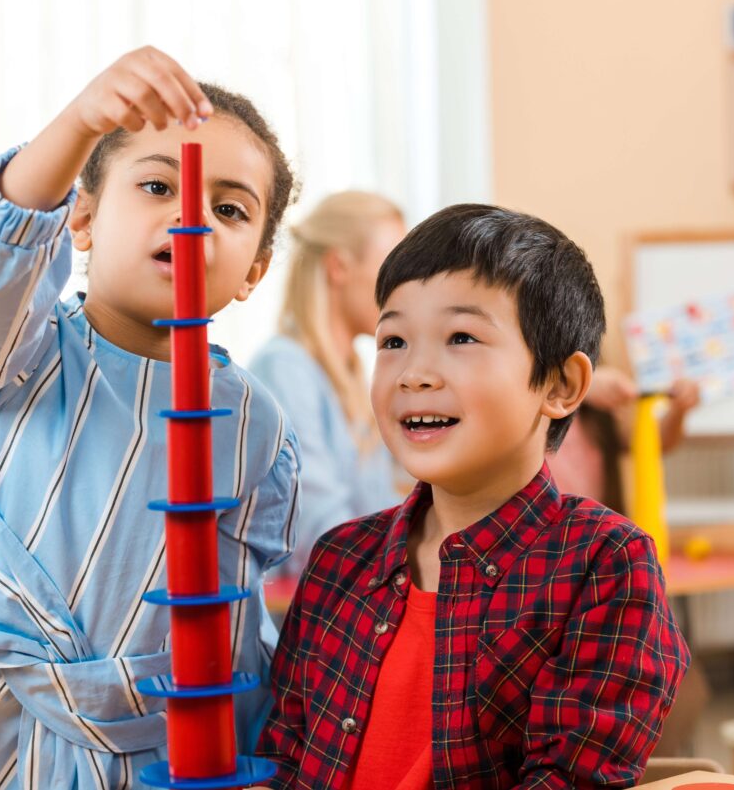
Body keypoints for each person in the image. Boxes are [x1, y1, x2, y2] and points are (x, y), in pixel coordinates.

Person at [0, 47, 300, 789]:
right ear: (81, 216)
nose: (189, 213)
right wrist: (81, 120)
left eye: (229, 208)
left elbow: (234, 615)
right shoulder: (20, 354)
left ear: (255, 270)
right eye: (157, 184)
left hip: (153, 751)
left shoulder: (258, 423)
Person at [255, 204, 690, 789]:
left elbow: (568, 778)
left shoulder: (605, 564)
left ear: (560, 385)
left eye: (460, 336)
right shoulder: (339, 561)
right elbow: (281, 761)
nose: (415, 373)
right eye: (393, 341)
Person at [250, 192, 406, 574]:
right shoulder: (284, 368)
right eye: (394, 269)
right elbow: (321, 528)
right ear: (338, 266)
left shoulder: (354, 376)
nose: (404, 288)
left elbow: (386, 508)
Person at [549, 367, 701, 514]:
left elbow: (648, 441)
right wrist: (580, 384)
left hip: (589, 523)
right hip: (541, 523)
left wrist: (678, 411)